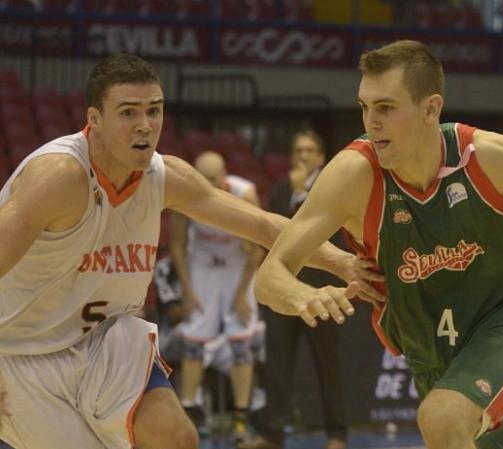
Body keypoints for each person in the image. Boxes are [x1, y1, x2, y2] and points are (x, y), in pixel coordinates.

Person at [254, 40, 503, 449]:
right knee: (449, 418)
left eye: (386, 107)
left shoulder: (492, 157)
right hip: (434, 359)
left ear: (431, 108)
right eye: (365, 107)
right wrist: (300, 295)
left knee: (442, 417)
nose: (371, 121)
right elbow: (270, 275)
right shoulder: (352, 175)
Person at [0, 54, 376, 449]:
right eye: (128, 112)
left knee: (176, 437)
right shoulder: (59, 178)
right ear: (94, 119)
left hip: (103, 339)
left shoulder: (165, 176)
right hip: (23, 350)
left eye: (154, 110)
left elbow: (264, 225)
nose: (145, 125)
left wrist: (341, 262)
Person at [241, 130, 348, 449]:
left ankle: (337, 435)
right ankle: (271, 433)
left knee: (328, 363)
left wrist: (304, 194)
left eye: (310, 150)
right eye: (298, 149)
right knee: (277, 363)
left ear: (320, 157)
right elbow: (275, 236)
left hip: (321, 288)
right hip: (284, 287)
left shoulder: (334, 191)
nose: (303, 155)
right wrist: (296, 192)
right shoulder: (281, 190)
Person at [169, 151, 264, 442]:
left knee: (241, 341)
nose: (207, 184)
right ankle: (190, 411)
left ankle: (241, 417)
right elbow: (176, 245)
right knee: (194, 339)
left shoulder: (244, 193)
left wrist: (240, 295)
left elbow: (258, 248)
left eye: (213, 179)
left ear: (223, 177)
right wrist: (187, 290)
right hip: (203, 263)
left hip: (237, 264)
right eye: (203, 178)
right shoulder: (182, 193)